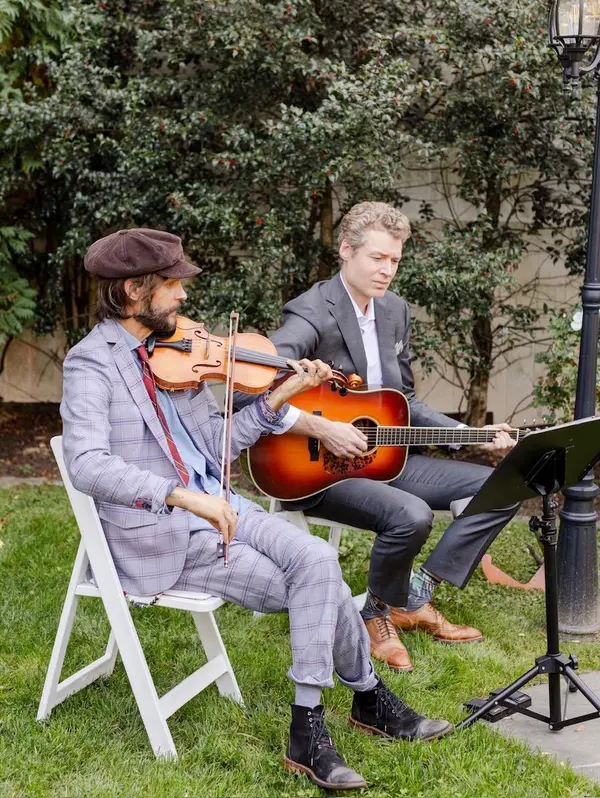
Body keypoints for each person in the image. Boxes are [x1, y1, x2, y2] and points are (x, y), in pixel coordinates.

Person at [60, 227, 452, 793]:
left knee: (317, 562)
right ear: (133, 290)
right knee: (318, 580)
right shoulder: (90, 364)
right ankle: (361, 702)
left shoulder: (175, 353)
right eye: (171, 284)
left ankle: (317, 723)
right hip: (165, 532)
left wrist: (275, 400)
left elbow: (218, 441)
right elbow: (87, 464)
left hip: (223, 507)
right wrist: (181, 494)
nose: (183, 295)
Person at [239, 201, 518, 673]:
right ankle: (377, 615)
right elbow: (251, 390)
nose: (387, 270)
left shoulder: (393, 311)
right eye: (377, 258)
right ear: (347, 250)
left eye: (395, 260)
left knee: (502, 485)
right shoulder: (312, 312)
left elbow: (403, 400)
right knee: (411, 515)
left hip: (384, 457)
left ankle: (414, 594)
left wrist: (471, 434)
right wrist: (322, 427)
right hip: (318, 470)